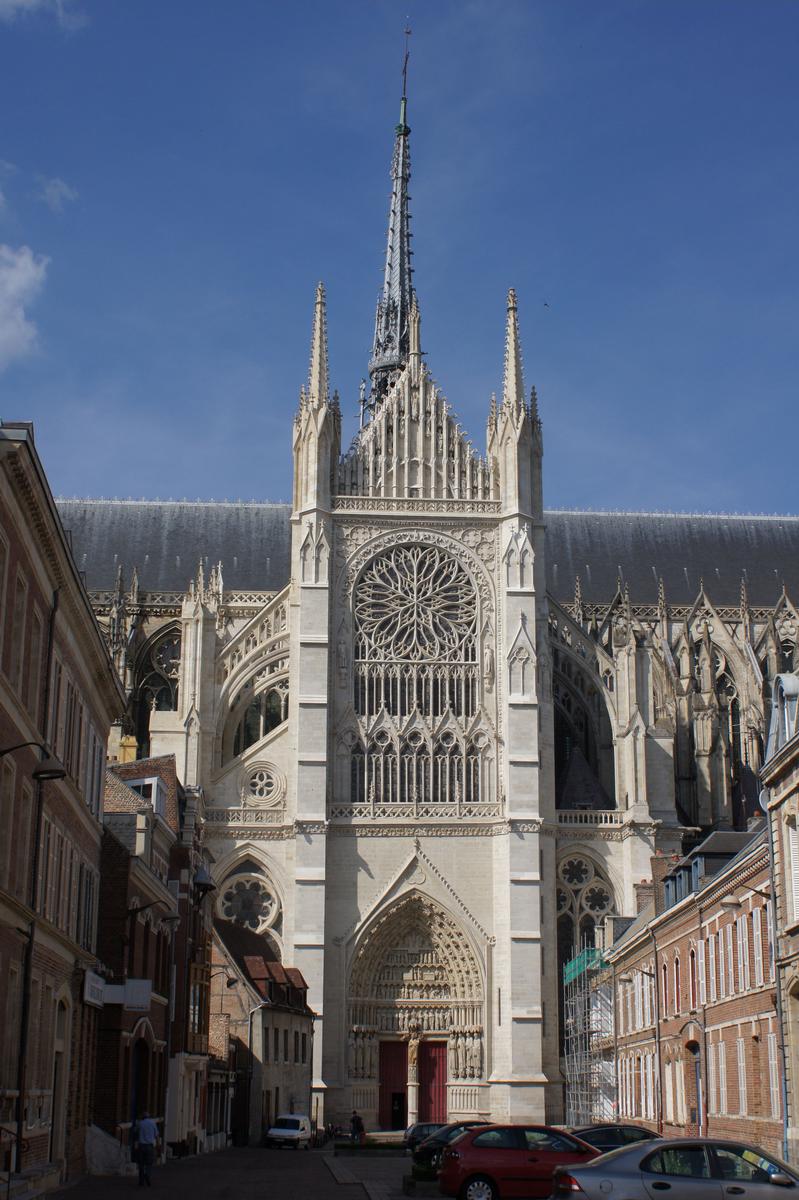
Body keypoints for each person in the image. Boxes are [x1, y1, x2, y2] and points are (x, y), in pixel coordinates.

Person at [133, 1111, 159, 1188]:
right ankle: (147, 1175)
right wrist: (158, 1145)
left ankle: (141, 1181)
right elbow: (156, 1135)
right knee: (149, 1163)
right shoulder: (153, 1123)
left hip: (141, 1145)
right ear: (149, 1117)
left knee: (141, 1164)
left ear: (142, 1117)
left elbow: (135, 1132)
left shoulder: (140, 1123)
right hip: (149, 1146)